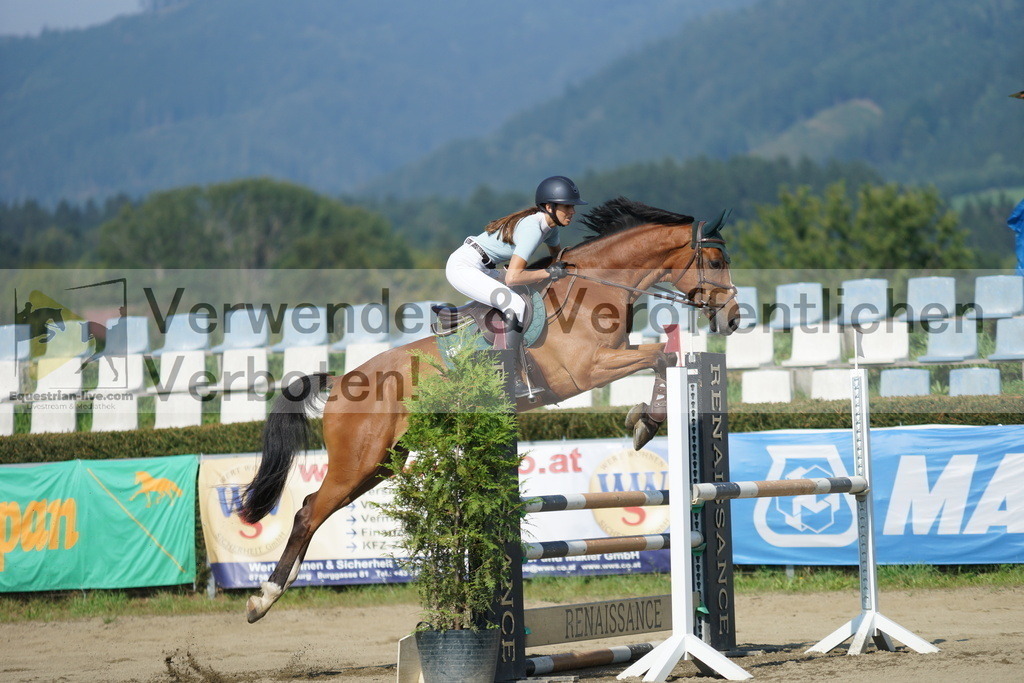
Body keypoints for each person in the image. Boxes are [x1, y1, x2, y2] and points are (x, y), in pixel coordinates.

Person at [445, 175, 587, 396]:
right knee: (515, 305)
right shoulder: (533, 228)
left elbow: (557, 258)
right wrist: (549, 272)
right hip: (463, 267)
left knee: (523, 295)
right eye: (567, 206)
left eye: (573, 207)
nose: (572, 212)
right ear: (549, 207)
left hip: (483, 266)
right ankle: (505, 376)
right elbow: (513, 277)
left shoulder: (551, 228)